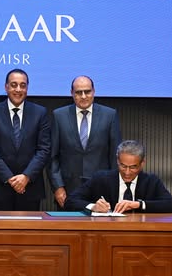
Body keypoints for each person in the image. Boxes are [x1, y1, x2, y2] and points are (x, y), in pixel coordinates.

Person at [0, 68, 51, 211]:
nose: (18, 89)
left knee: (29, 226)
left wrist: (26, 176)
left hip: (30, 188)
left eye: (22, 85)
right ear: (6, 87)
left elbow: (44, 149)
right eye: (14, 85)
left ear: (27, 88)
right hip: (0, 188)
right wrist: (10, 179)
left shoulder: (40, 112)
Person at [49, 75, 122, 209]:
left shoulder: (109, 115)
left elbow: (115, 156)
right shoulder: (59, 116)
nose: (83, 96)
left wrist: (112, 188)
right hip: (68, 191)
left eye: (87, 92)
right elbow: (53, 157)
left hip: (101, 190)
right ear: (71, 93)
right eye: (78, 92)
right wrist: (58, 187)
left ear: (94, 91)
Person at [64, 140, 172, 214]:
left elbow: (171, 205)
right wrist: (93, 207)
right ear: (117, 161)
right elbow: (70, 201)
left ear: (142, 163)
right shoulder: (100, 179)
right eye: (123, 166)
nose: (127, 172)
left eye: (133, 167)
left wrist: (138, 204)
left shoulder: (151, 181)